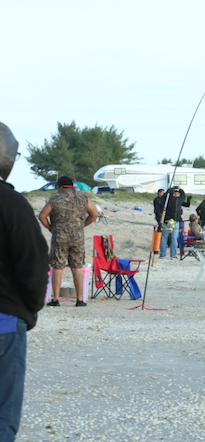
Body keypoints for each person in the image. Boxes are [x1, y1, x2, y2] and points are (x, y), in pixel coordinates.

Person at [0, 122, 49, 441]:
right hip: (5, 322)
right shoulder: (12, 203)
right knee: (2, 416)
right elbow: (33, 264)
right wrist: (29, 309)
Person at [38, 176, 99, 307]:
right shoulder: (83, 198)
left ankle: (55, 299)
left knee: (58, 267)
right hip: (77, 237)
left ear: (60, 186)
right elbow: (94, 214)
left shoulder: (54, 199)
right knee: (77, 267)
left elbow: (42, 216)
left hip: (59, 238)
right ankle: (80, 299)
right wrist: (81, 226)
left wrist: (51, 228)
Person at [159, 187, 191, 259]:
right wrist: (180, 189)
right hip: (175, 221)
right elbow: (183, 195)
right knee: (174, 238)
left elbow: (162, 197)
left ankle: (162, 254)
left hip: (167, 221)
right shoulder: (179, 200)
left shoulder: (166, 200)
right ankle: (173, 255)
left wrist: (169, 190)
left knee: (164, 237)